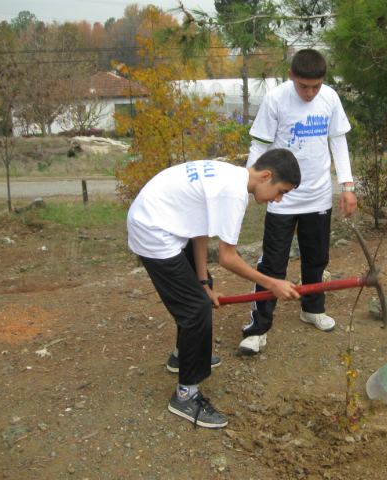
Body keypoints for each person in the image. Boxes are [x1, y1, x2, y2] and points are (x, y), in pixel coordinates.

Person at [126, 149, 301, 428]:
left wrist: (203, 282)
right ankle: (185, 395)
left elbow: (199, 228)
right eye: (280, 191)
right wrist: (272, 283)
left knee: (198, 295)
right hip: (153, 230)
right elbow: (227, 258)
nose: (278, 199)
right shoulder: (233, 194)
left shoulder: (231, 176)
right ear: (265, 176)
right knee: (196, 308)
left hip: (163, 221)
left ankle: (183, 355)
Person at [239, 48, 358, 354]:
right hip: (283, 200)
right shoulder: (276, 99)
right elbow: (260, 144)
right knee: (273, 264)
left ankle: (312, 308)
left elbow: (338, 141)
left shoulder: (330, 98)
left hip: (318, 197)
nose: (310, 92)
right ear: (291, 76)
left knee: (316, 259)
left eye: (316, 86)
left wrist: (347, 185)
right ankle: (258, 328)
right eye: (304, 86)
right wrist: (247, 185)